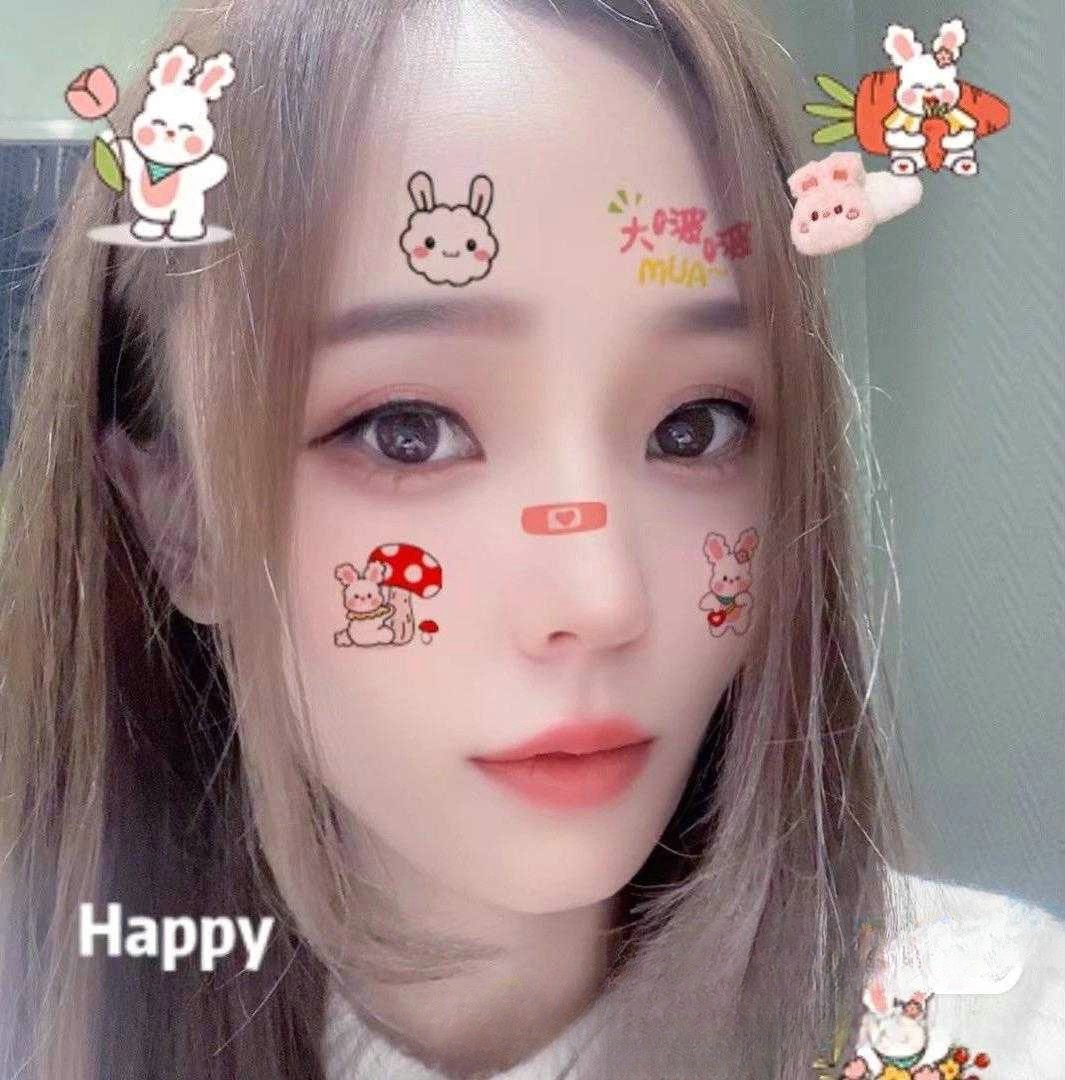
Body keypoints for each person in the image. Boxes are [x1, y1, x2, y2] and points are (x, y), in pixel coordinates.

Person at [0, 0, 1061, 1077]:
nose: (601, 601)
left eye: (696, 427)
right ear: (176, 518)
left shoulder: (991, 1030)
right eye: (407, 432)